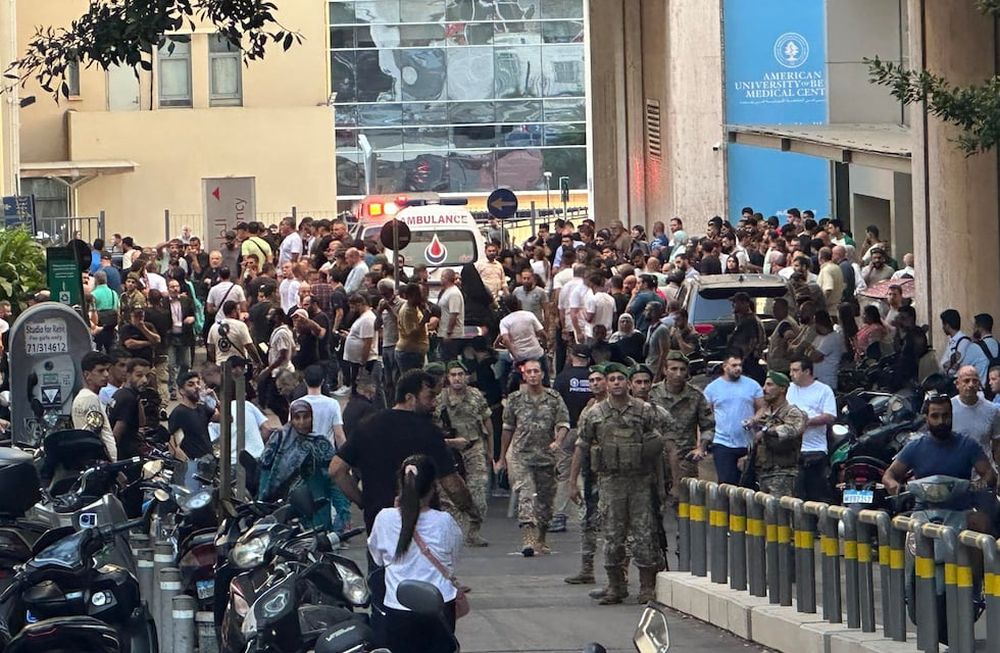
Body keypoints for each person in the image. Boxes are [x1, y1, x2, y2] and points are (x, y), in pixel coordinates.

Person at [329, 370, 481, 535]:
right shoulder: (430, 432)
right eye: (429, 397)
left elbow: (337, 470)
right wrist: (471, 511)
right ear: (410, 398)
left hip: (379, 526)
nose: (434, 403)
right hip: (422, 527)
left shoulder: (366, 426)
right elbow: (452, 484)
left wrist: (363, 501)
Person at [571, 362, 664, 604]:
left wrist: (662, 484)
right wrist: (572, 481)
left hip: (640, 482)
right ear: (606, 382)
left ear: (628, 382)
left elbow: (661, 443)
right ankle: (616, 586)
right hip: (610, 482)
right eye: (611, 379)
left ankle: (647, 587)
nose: (615, 383)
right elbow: (581, 446)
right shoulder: (594, 414)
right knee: (612, 536)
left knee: (644, 535)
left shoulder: (644, 411)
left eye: (620, 378)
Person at [368, 455, 464, 653]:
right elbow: (453, 558)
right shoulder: (444, 521)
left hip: (398, 609)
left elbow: (377, 558)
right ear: (433, 486)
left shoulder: (384, 518)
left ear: (400, 485)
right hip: (438, 608)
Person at [883, 395, 997, 534]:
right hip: (922, 512)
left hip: (960, 512)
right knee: (894, 529)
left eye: (945, 416)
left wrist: (981, 484)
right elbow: (890, 474)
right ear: (926, 418)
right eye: (935, 416)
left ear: (952, 416)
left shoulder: (968, 445)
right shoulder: (915, 447)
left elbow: (989, 473)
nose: (941, 421)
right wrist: (893, 485)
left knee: (983, 525)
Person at [496, 359, 571, 557]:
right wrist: (502, 457)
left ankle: (542, 537)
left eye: (536, 371)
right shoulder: (515, 399)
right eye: (528, 372)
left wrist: (558, 440)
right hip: (523, 456)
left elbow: (563, 423)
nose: (532, 375)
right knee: (526, 495)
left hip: (546, 457)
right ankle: (528, 537)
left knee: (546, 503)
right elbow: (507, 429)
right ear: (524, 375)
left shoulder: (554, 398)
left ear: (542, 375)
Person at [434, 360, 493, 547]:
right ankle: (454, 532)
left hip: (473, 447)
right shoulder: (439, 399)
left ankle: (473, 531)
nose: (457, 378)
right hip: (448, 450)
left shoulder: (475, 396)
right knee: (448, 495)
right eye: (453, 375)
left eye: (461, 374)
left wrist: (491, 451)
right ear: (447, 378)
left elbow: (487, 422)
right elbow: (431, 429)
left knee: (478, 492)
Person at [258, 400, 337, 529]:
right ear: (291, 419)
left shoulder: (321, 443)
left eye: (306, 417)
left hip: (317, 505)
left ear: (312, 417)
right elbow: (266, 470)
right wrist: (262, 503)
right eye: (297, 418)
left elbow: (333, 479)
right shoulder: (279, 439)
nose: (301, 422)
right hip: (283, 506)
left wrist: (343, 512)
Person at [649, 352, 714, 505]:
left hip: (685, 460)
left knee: (687, 507)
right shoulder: (652, 394)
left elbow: (708, 426)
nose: (678, 374)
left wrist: (701, 448)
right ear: (665, 370)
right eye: (673, 369)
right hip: (656, 459)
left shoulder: (695, 395)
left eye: (682, 369)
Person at [564, 364, 607, 586]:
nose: (596, 384)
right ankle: (587, 568)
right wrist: (573, 481)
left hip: (615, 474)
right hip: (592, 473)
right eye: (592, 381)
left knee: (615, 526)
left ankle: (618, 574)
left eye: (600, 379)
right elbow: (580, 445)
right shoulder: (589, 409)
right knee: (588, 522)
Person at [551, 344, 594, 533]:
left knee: (565, 475)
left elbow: (555, 405)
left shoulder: (562, 378)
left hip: (568, 430)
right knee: (591, 474)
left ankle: (559, 516)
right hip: (592, 432)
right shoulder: (595, 377)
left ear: (571, 356)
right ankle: (589, 515)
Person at [703, 354, 764, 485]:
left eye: (740, 365)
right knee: (726, 484)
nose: (738, 369)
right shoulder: (712, 388)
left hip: (747, 442)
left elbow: (762, 408)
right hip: (722, 442)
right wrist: (702, 444)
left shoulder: (752, 385)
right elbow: (705, 416)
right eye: (734, 365)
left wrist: (754, 419)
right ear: (725, 367)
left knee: (748, 483)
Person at [748, 372, 808, 496]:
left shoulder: (792, 412)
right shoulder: (765, 414)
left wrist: (766, 431)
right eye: (764, 385)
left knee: (779, 513)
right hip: (762, 473)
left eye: (770, 385)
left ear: (782, 389)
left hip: (783, 473)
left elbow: (793, 430)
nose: (764, 389)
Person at [787, 358, 836, 502]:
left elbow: (830, 416)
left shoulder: (823, 390)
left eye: (795, 370)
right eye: (790, 370)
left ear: (807, 371)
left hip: (815, 449)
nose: (791, 374)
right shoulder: (789, 389)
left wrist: (807, 421)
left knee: (816, 493)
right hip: (792, 449)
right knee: (796, 493)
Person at [950, 366, 1000, 466]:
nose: (971, 385)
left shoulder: (992, 410)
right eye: (966, 381)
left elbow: (997, 445)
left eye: (975, 381)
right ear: (957, 384)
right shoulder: (948, 408)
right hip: (957, 472)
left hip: (985, 473)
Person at [73, 351, 117, 461]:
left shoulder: (85, 396)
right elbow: (98, 436)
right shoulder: (89, 398)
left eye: (107, 370)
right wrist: (112, 462)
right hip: (100, 462)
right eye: (101, 371)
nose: (106, 374)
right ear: (87, 375)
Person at [167, 370, 218, 463]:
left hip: (209, 461)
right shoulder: (179, 413)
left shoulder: (203, 408)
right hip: (194, 465)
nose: (197, 387)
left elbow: (227, 419)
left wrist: (215, 400)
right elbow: (173, 446)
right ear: (182, 391)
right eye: (191, 385)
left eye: (198, 383)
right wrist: (189, 464)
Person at [728, 292, 767, 384]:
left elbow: (753, 341)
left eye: (736, 302)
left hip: (749, 362)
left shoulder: (750, 321)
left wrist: (743, 359)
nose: (734, 305)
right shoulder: (744, 320)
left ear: (745, 303)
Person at [438, 269, 465, 360]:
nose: (440, 279)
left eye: (442, 276)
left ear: (447, 278)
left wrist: (448, 332)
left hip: (452, 335)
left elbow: (454, 313)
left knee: (450, 360)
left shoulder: (454, 293)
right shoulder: (447, 291)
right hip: (444, 332)